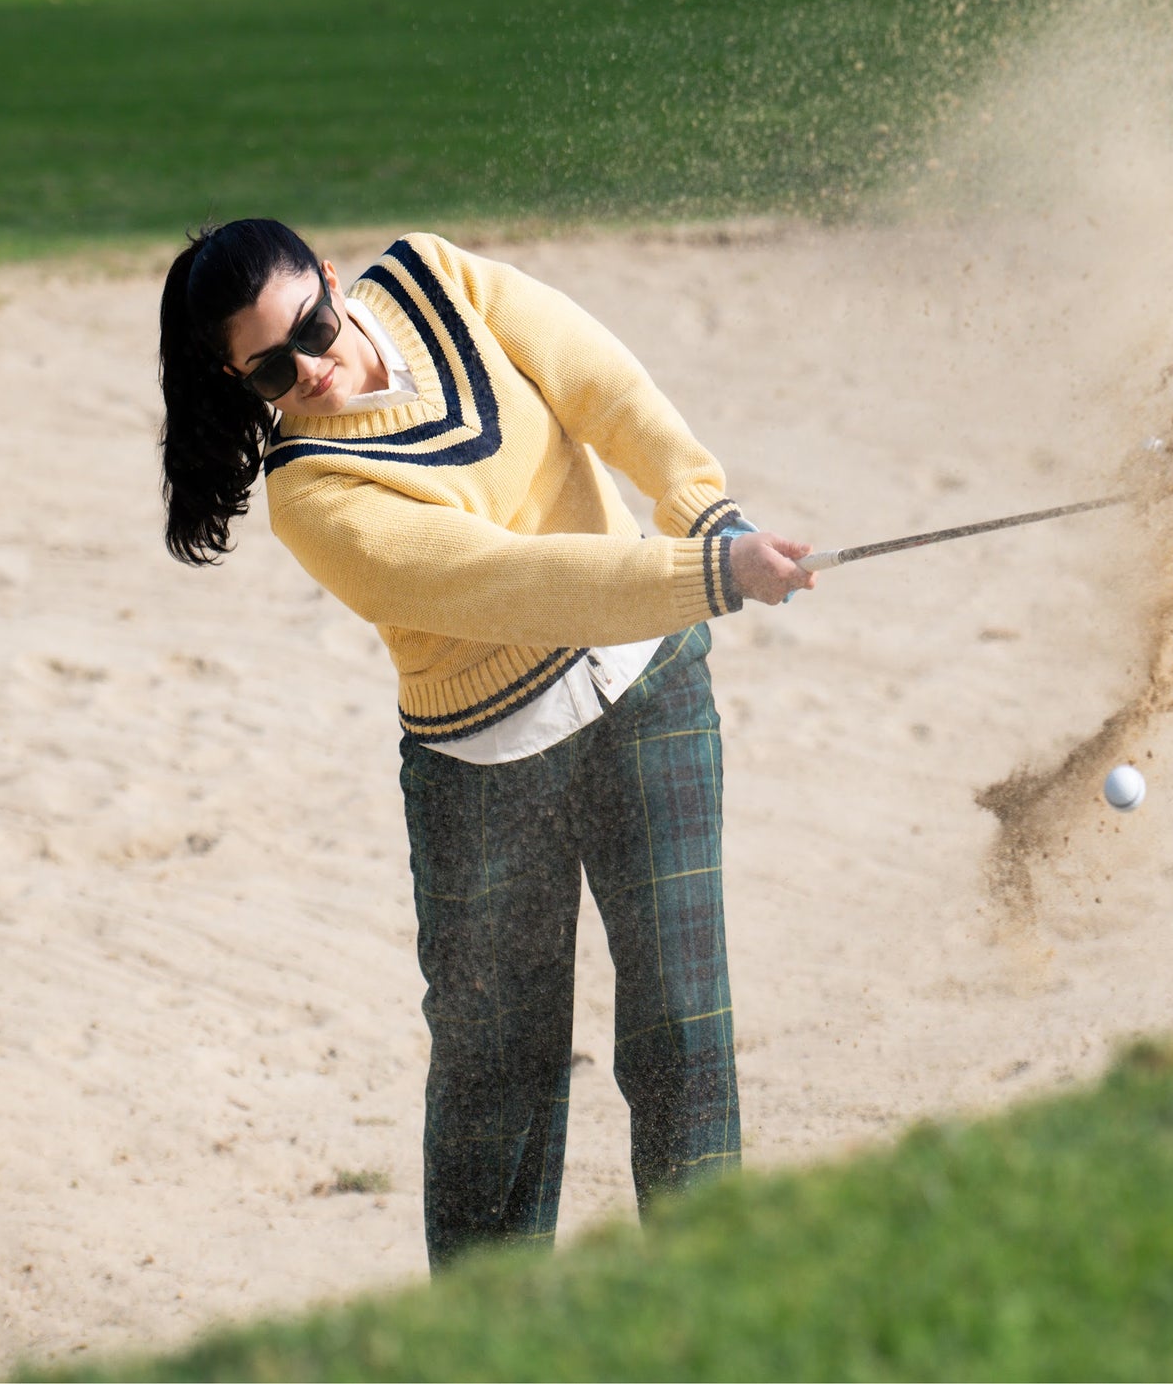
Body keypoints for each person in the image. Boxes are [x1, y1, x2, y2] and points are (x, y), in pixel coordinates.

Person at [156, 218, 815, 1268]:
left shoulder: (437, 277)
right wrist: (707, 574)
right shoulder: (312, 496)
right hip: (486, 780)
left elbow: (602, 385)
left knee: (685, 1037)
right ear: (241, 380)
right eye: (272, 371)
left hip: (653, 696)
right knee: (497, 1092)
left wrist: (703, 508)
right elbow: (506, 580)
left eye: (315, 328)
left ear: (332, 280)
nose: (314, 369)